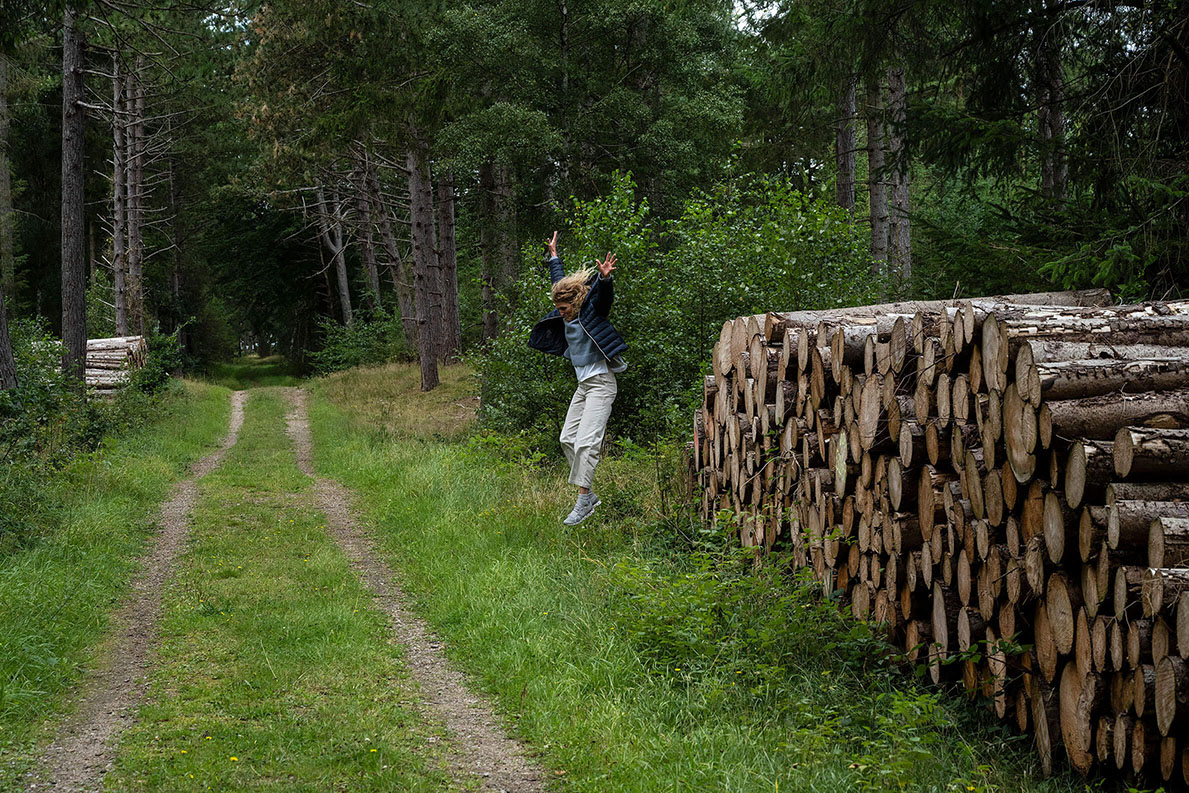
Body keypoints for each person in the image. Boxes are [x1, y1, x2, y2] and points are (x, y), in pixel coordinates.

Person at [528, 231, 628, 525]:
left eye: (562, 309)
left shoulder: (590, 312)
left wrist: (605, 279)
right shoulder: (564, 309)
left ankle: (583, 499)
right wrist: (554, 256)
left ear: (574, 304)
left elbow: (602, 299)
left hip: (601, 384)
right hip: (584, 386)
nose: (559, 313)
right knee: (567, 438)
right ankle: (590, 494)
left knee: (586, 443)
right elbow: (558, 283)